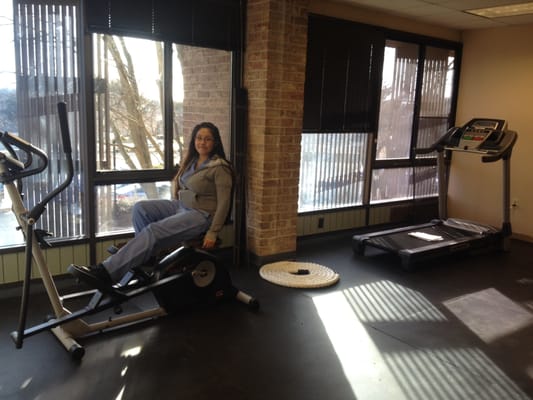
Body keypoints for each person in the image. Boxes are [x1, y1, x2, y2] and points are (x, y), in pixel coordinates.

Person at [68, 122, 233, 291]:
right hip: (181, 206)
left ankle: (106, 272)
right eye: (199, 138)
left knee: (153, 231)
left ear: (215, 143)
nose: (202, 142)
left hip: (201, 214)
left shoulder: (220, 167)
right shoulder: (192, 161)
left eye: (207, 139)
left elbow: (224, 203)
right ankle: (146, 255)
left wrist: (213, 232)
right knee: (141, 208)